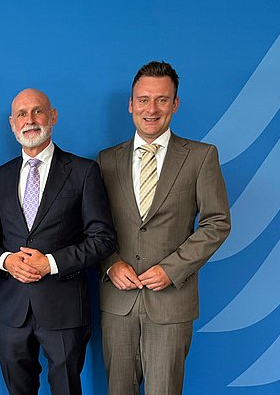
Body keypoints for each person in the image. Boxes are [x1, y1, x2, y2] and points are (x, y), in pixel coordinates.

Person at [98, 61, 231, 395]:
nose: (151, 109)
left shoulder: (201, 156)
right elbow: (92, 227)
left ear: (175, 104)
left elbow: (217, 222)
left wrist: (171, 270)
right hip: (118, 302)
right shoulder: (106, 160)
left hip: (171, 302)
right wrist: (111, 264)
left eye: (161, 100)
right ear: (131, 105)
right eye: (143, 100)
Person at [0, 88, 116, 395]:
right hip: (13, 311)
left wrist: (51, 263)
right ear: (12, 124)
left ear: (52, 116)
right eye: (21, 114)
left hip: (64, 309)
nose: (30, 120)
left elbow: (103, 239)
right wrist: (6, 261)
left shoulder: (83, 172)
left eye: (37, 111)